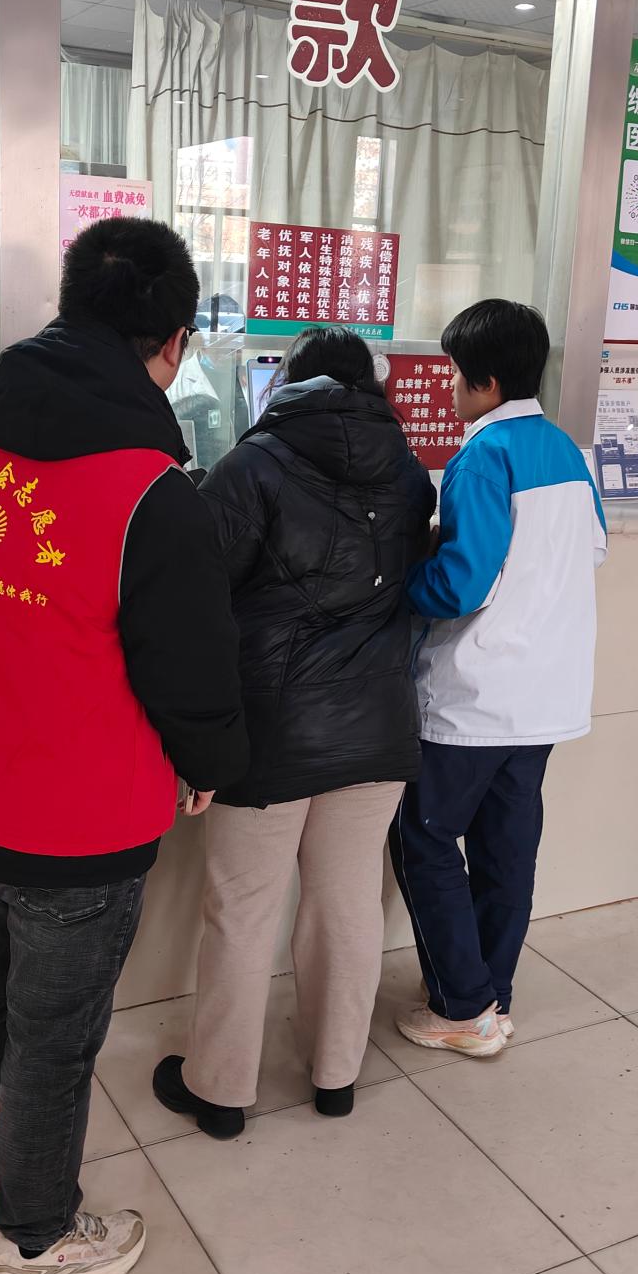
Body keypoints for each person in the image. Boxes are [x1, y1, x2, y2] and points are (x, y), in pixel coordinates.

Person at [0, 217, 247, 1274]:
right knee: (52, 1034)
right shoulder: (152, 493)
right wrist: (211, 764)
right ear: (173, 343)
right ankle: (36, 1243)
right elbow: (192, 673)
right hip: (76, 825)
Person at [150, 327, 436, 1139]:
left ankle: (221, 1092)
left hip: (270, 732)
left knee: (243, 911)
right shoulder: (408, 471)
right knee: (348, 904)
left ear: (289, 384)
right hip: (376, 726)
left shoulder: (255, 464)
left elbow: (199, 585)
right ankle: (335, 1074)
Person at [389, 299, 606, 1058]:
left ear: (483, 382)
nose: (447, 387)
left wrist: (398, 586)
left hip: (477, 698)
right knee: (506, 849)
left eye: (453, 373)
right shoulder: (565, 449)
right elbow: (594, 548)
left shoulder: (483, 454)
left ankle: (463, 1007)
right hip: (548, 695)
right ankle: (490, 995)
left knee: (422, 839)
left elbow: (460, 585)